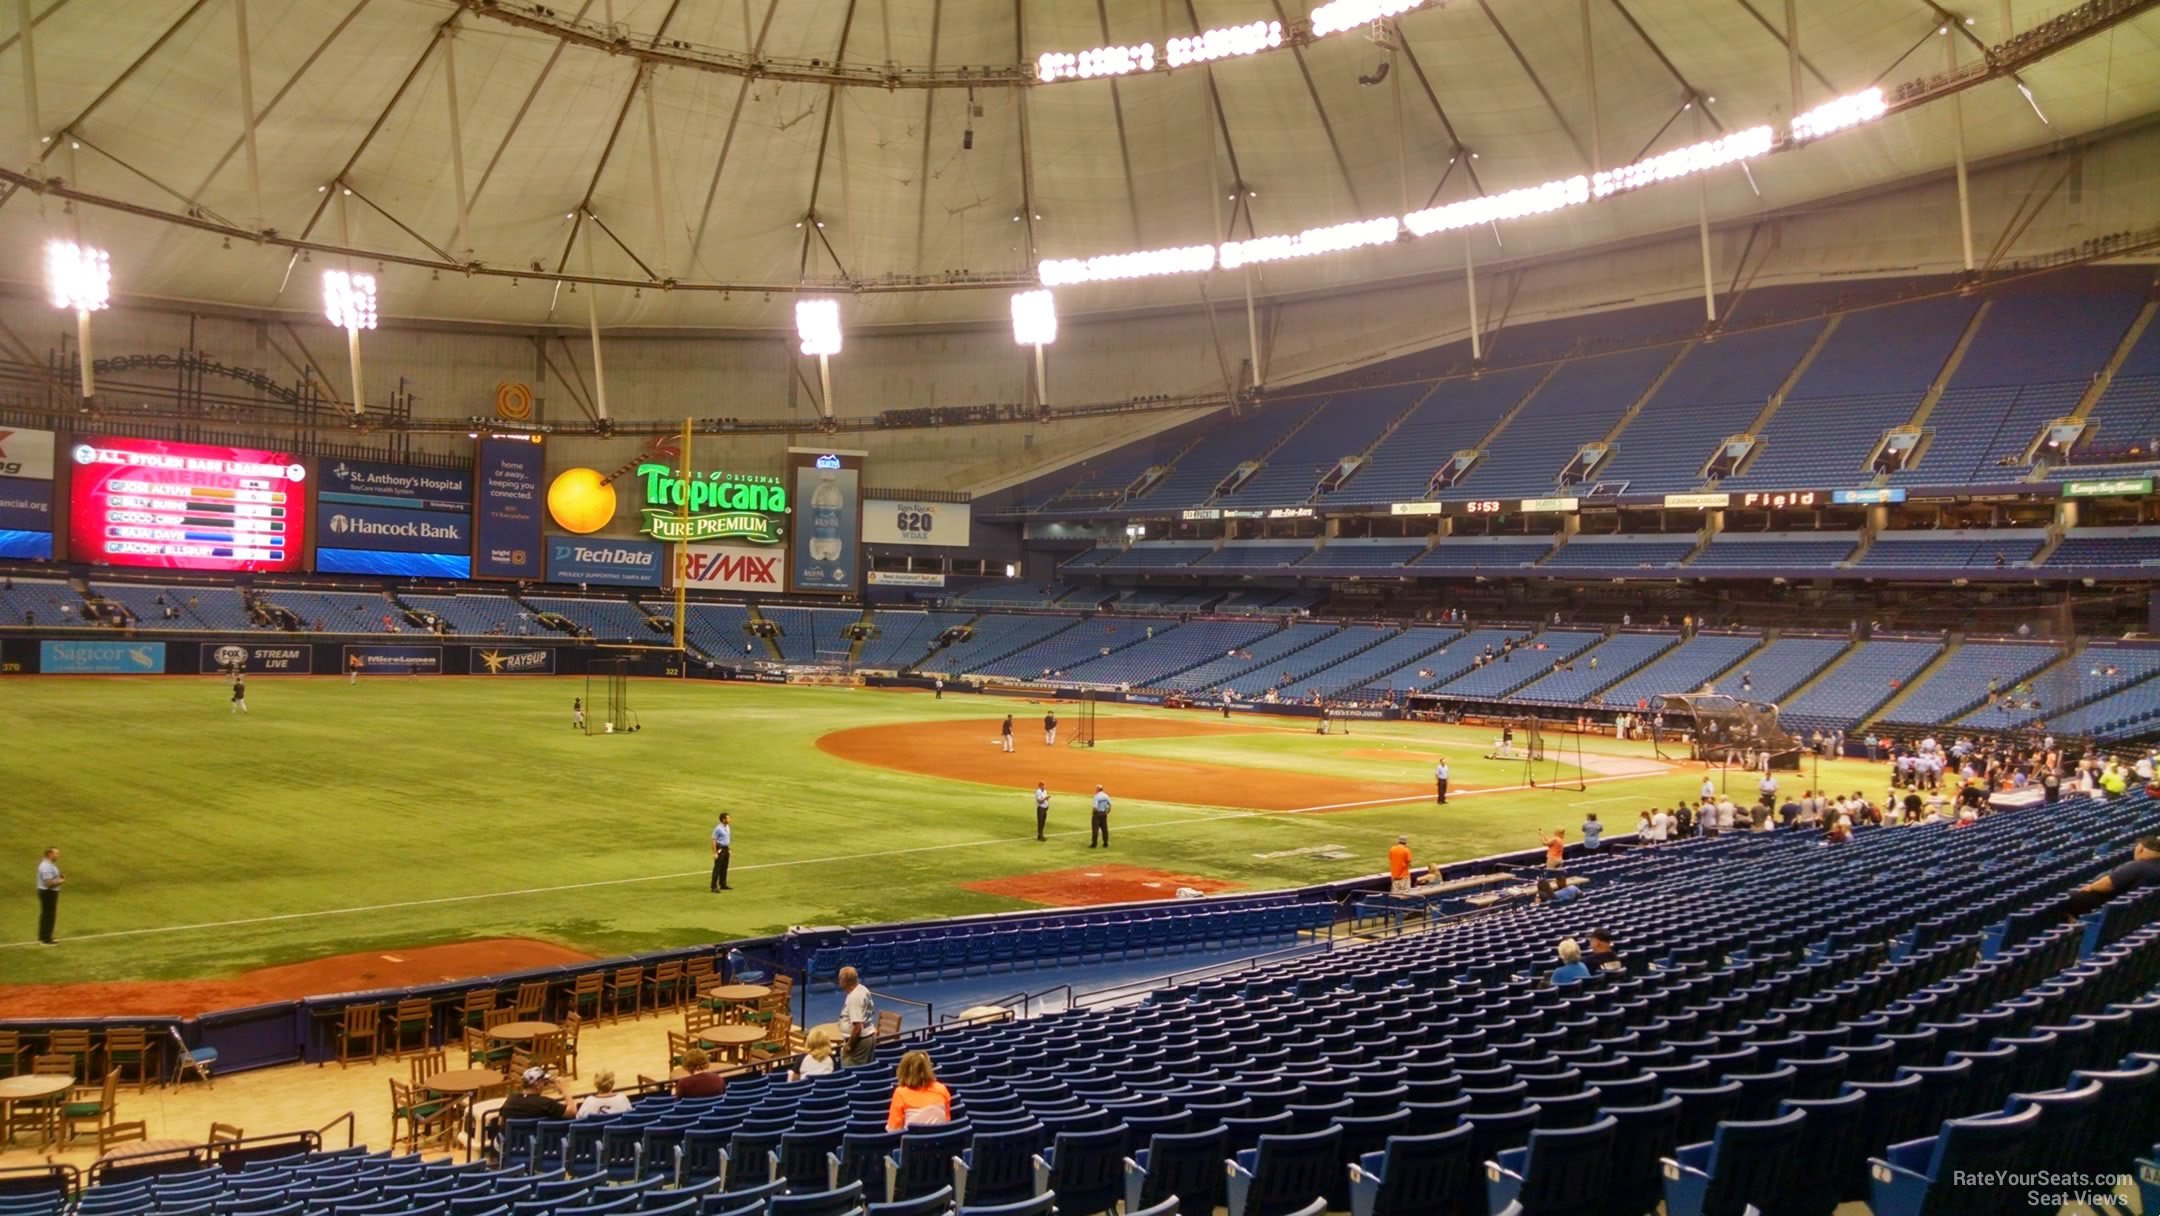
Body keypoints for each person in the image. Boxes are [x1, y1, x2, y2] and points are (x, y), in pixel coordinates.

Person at [2068, 836, 2160, 914]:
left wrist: (2091, 887)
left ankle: (2076, 929)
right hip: (2142, 907)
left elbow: (2107, 885)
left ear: (2140, 849)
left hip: (2119, 907)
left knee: (2067, 898)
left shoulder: (2138, 866)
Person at [886, 1051, 953, 1130]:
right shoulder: (942, 1088)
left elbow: (893, 1130)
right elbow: (947, 1120)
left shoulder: (900, 1093)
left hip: (913, 1141)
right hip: (941, 1139)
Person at [838, 966, 878, 1067]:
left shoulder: (854, 997)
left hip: (859, 1042)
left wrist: (849, 1046)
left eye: (840, 979)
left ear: (845, 981)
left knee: (851, 1070)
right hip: (868, 1036)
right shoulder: (863, 989)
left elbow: (858, 1026)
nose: (839, 981)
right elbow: (871, 1011)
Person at [504, 1067, 579, 1119]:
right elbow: (572, 1111)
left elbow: (500, 1123)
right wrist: (564, 1089)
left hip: (512, 1141)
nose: (544, 1084)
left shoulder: (510, 1100)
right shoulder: (545, 1103)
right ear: (538, 1085)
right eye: (544, 1082)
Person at [35, 847, 62, 946]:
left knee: (47, 915)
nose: (58, 856)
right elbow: (49, 883)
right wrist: (60, 881)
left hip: (47, 892)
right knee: (48, 915)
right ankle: (46, 939)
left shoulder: (48, 865)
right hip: (48, 893)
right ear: (50, 854)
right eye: (56, 854)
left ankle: (44, 937)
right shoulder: (46, 866)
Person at [710, 813, 732, 892]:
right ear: (723, 819)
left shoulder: (727, 827)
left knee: (724, 867)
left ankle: (723, 884)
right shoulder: (718, 828)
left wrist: (729, 849)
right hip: (720, 849)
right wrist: (715, 852)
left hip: (726, 849)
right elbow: (713, 840)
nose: (730, 819)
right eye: (728, 818)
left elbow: (726, 839)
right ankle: (713, 886)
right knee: (717, 868)